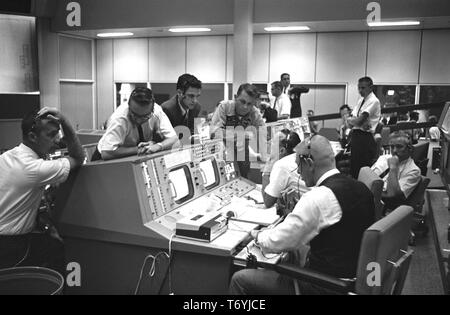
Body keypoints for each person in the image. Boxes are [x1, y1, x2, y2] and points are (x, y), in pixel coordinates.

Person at [229, 135, 375, 295]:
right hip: (355, 276)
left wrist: (257, 235)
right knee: (295, 253)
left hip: (324, 286)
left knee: (240, 279)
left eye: (299, 166)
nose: (298, 172)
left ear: (310, 163)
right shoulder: (361, 188)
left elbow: (277, 242)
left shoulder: (319, 198)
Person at [0, 108, 85, 273]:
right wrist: (65, 121)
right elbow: (78, 158)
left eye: (57, 133)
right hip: (11, 245)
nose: (57, 140)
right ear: (32, 137)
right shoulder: (34, 168)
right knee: (59, 248)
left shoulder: (8, 156)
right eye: (51, 135)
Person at [96, 87, 178, 160]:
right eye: (134, 115)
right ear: (129, 106)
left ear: (152, 110)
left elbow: (174, 138)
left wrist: (158, 146)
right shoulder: (119, 118)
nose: (138, 120)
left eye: (144, 116)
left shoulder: (157, 111)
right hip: (105, 159)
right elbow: (106, 153)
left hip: (134, 156)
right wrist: (139, 149)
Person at [210, 83, 265, 178]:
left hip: (243, 153)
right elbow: (214, 132)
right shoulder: (225, 107)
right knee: (226, 180)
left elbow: (263, 133)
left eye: (249, 104)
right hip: (223, 151)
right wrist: (241, 135)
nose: (245, 107)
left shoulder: (254, 112)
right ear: (235, 97)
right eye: (242, 102)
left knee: (243, 179)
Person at [371, 131, 421, 211]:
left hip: (383, 206)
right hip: (370, 194)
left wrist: (393, 167)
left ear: (410, 148)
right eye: (392, 146)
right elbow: (369, 178)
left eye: (399, 147)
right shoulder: (384, 158)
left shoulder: (413, 170)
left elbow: (392, 194)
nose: (394, 150)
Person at [347, 76, 381, 179]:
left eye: (363, 88)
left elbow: (358, 121)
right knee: (354, 169)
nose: (360, 91)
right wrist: (353, 120)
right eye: (359, 88)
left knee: (362, 171)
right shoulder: (361, 100)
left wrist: (354, 121)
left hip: (365, 138)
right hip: (357, 136)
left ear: (371, 87)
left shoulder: (374, 101)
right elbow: (351, 121)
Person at [262, 130, 302, 208]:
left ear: (282, 150)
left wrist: (267, 169)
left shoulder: (281, 165)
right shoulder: (298, 157)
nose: (269, 143)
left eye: (273, 142)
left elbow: (267, 202)